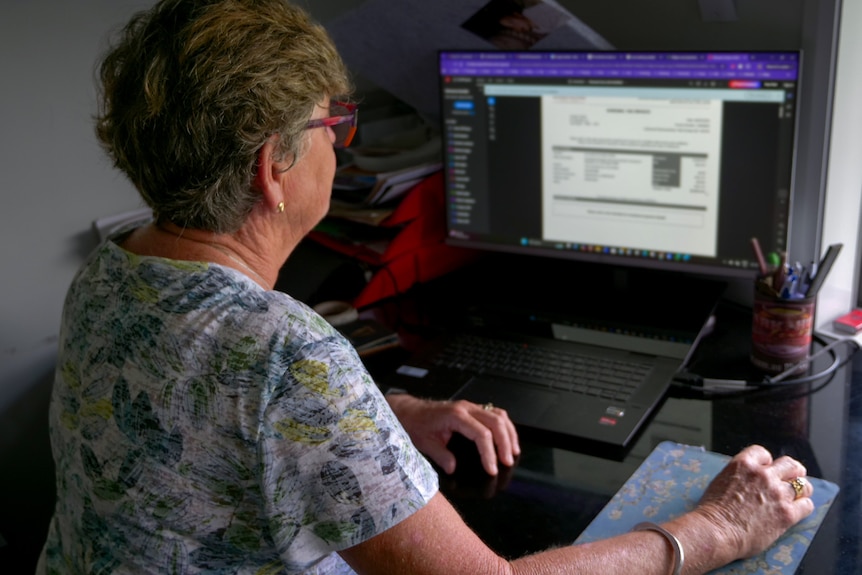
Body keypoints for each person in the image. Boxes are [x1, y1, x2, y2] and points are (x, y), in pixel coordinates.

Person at [37, 1, 814, 573]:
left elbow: (212, 413)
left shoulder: (115, 271)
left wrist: (381, 414)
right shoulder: (287, 356)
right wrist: (714, 528)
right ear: (270, 169)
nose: (341, 143)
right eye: (331, 126)